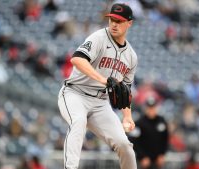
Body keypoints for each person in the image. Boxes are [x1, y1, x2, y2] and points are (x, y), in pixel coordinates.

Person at [57, 3, 138, 169]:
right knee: (78, 121)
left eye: (119, 21)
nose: (114, 24)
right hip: (75, 94)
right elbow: (77, 59)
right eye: (112, 19)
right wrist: (103, 80)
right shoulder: (99, 37)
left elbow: (124, 92)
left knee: (125, 145)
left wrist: (127, 116)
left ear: (129, 23)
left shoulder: (131, 56)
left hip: (100, 103)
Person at [129, 97, 169, 169]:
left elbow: (165, 139)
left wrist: (162, 154)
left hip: (158, 160)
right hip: (144, 161)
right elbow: (134, 141)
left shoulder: (161, 121)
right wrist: (142, 157)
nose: (151, 110)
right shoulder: (139, 123)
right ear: (146, 108)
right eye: (149, 108)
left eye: (153, 108)